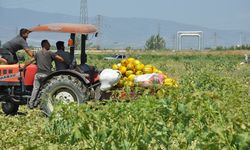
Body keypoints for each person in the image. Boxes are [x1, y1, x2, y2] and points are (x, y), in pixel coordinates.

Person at [28, 39, 64, 109]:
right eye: (48, 44)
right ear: (44, 45)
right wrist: (55, 59)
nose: (50, 45)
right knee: (45, 90)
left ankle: (31, 103)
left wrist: (23, 67)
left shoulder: (37, 53)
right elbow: (60, 59)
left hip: (38, 75)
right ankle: (39, 103)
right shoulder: (50, 53)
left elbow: (30, 61)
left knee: (35, 89)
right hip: (46, 75)